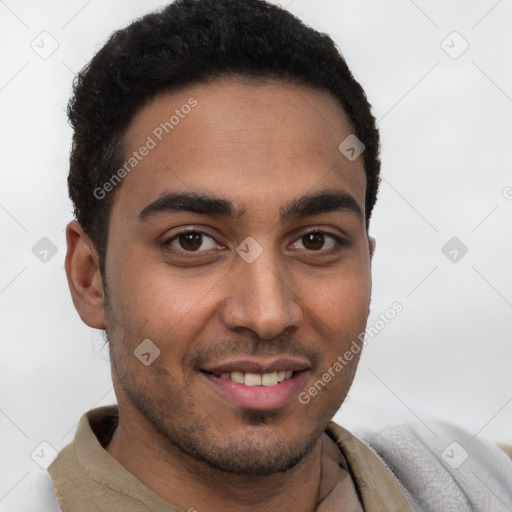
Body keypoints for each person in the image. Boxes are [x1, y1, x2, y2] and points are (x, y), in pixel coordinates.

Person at [13, 0, 512, 510]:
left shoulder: (479, 482)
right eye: (192, 241)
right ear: (89, 277)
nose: (268, 314)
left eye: (315, 241)